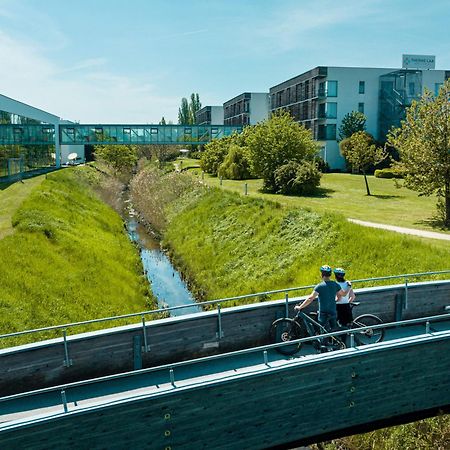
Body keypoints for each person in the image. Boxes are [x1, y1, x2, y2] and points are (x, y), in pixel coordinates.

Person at [294, 265, 347, 331]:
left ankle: (324, 341)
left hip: (323, 313)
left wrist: (300, 307)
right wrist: (337, 299)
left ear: (322, 274)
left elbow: (310, 298)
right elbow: (342, 294)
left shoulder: (319, 286)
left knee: (322, 331)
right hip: (333, 311)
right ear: (330, 274)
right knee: (334, 330)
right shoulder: (335, 284)